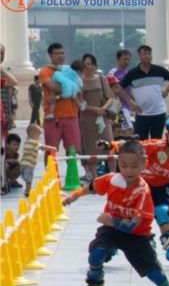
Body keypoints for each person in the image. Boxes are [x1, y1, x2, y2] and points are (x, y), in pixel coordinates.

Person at [61, 139, 169, 286]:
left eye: (134, 166)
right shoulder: (112, 179)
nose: (128, 171)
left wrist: (112, 220)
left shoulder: (142, 191)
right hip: (111, 231)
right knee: (96, 253)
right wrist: (74, 196)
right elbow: (92, 187)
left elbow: (132, 225)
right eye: (124, 165)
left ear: (144, 165)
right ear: (118, 164)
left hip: (137, 237)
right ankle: (95, 285)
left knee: (155, 273)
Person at [100, 115, 169, 266]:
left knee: (161, 211)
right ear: (167, 136)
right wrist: (111, 145)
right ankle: (112, 242)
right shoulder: (156, 146)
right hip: (140, 186)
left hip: (162, 188)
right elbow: (133, 146)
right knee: (126, 214)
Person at [121, 45, 169, 140]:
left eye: (149, 54)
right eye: (144, 53)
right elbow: (120, 88)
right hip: (142, 114)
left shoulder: (159, 70)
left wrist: (166, 91)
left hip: (159, 112)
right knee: (140, 142)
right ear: (139, 55)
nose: (147, 56)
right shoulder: (132, 73)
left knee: (156, 142)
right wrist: (131, 103)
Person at [39, 43, 82, 158]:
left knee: (72, 151)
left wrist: (70, 88)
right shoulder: (45, 71)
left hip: (72, 115)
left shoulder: (69, 70)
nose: (60, 56)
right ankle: (50, 175)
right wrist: (70, 87)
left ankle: (71, 175)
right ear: (50, 55)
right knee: (50, 151)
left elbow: (79, 88)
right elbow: (54, 88)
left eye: (62, 53)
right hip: (52, 117)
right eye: (56, 53)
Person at [78, 53, 115, 182]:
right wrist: (93, 109)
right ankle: (95, 178)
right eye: (86, 64)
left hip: (103, 118)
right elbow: (79, 102)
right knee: (90, 147)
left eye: (91, 64)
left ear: (95, 65)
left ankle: (113, 175)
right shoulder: (79, 81)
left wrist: (103, 108)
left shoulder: (101, 79)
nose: (88, 67)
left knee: (109, 146)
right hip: (87, 119)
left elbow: (110, 97)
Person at [18, 123, 56, 192]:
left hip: (24, 163)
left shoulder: (27, 142)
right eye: (38, 136)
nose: (39, 138)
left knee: (27, 178)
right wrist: (52, 148)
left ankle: (27, 189)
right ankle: (28, 190)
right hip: (29, 164)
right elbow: (42, 147)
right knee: (29, 178)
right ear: (33, 134)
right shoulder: (33, 142)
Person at [108, 49, 135, 137]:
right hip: (118, 107)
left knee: (122, 131)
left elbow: (129, 91)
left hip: (127, 107)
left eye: (128, 59)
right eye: (124, 59)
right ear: (118, 59)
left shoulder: (127, 73)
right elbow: (109, 90)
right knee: (128, 130)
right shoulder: (113, 73)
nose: (126, 61)